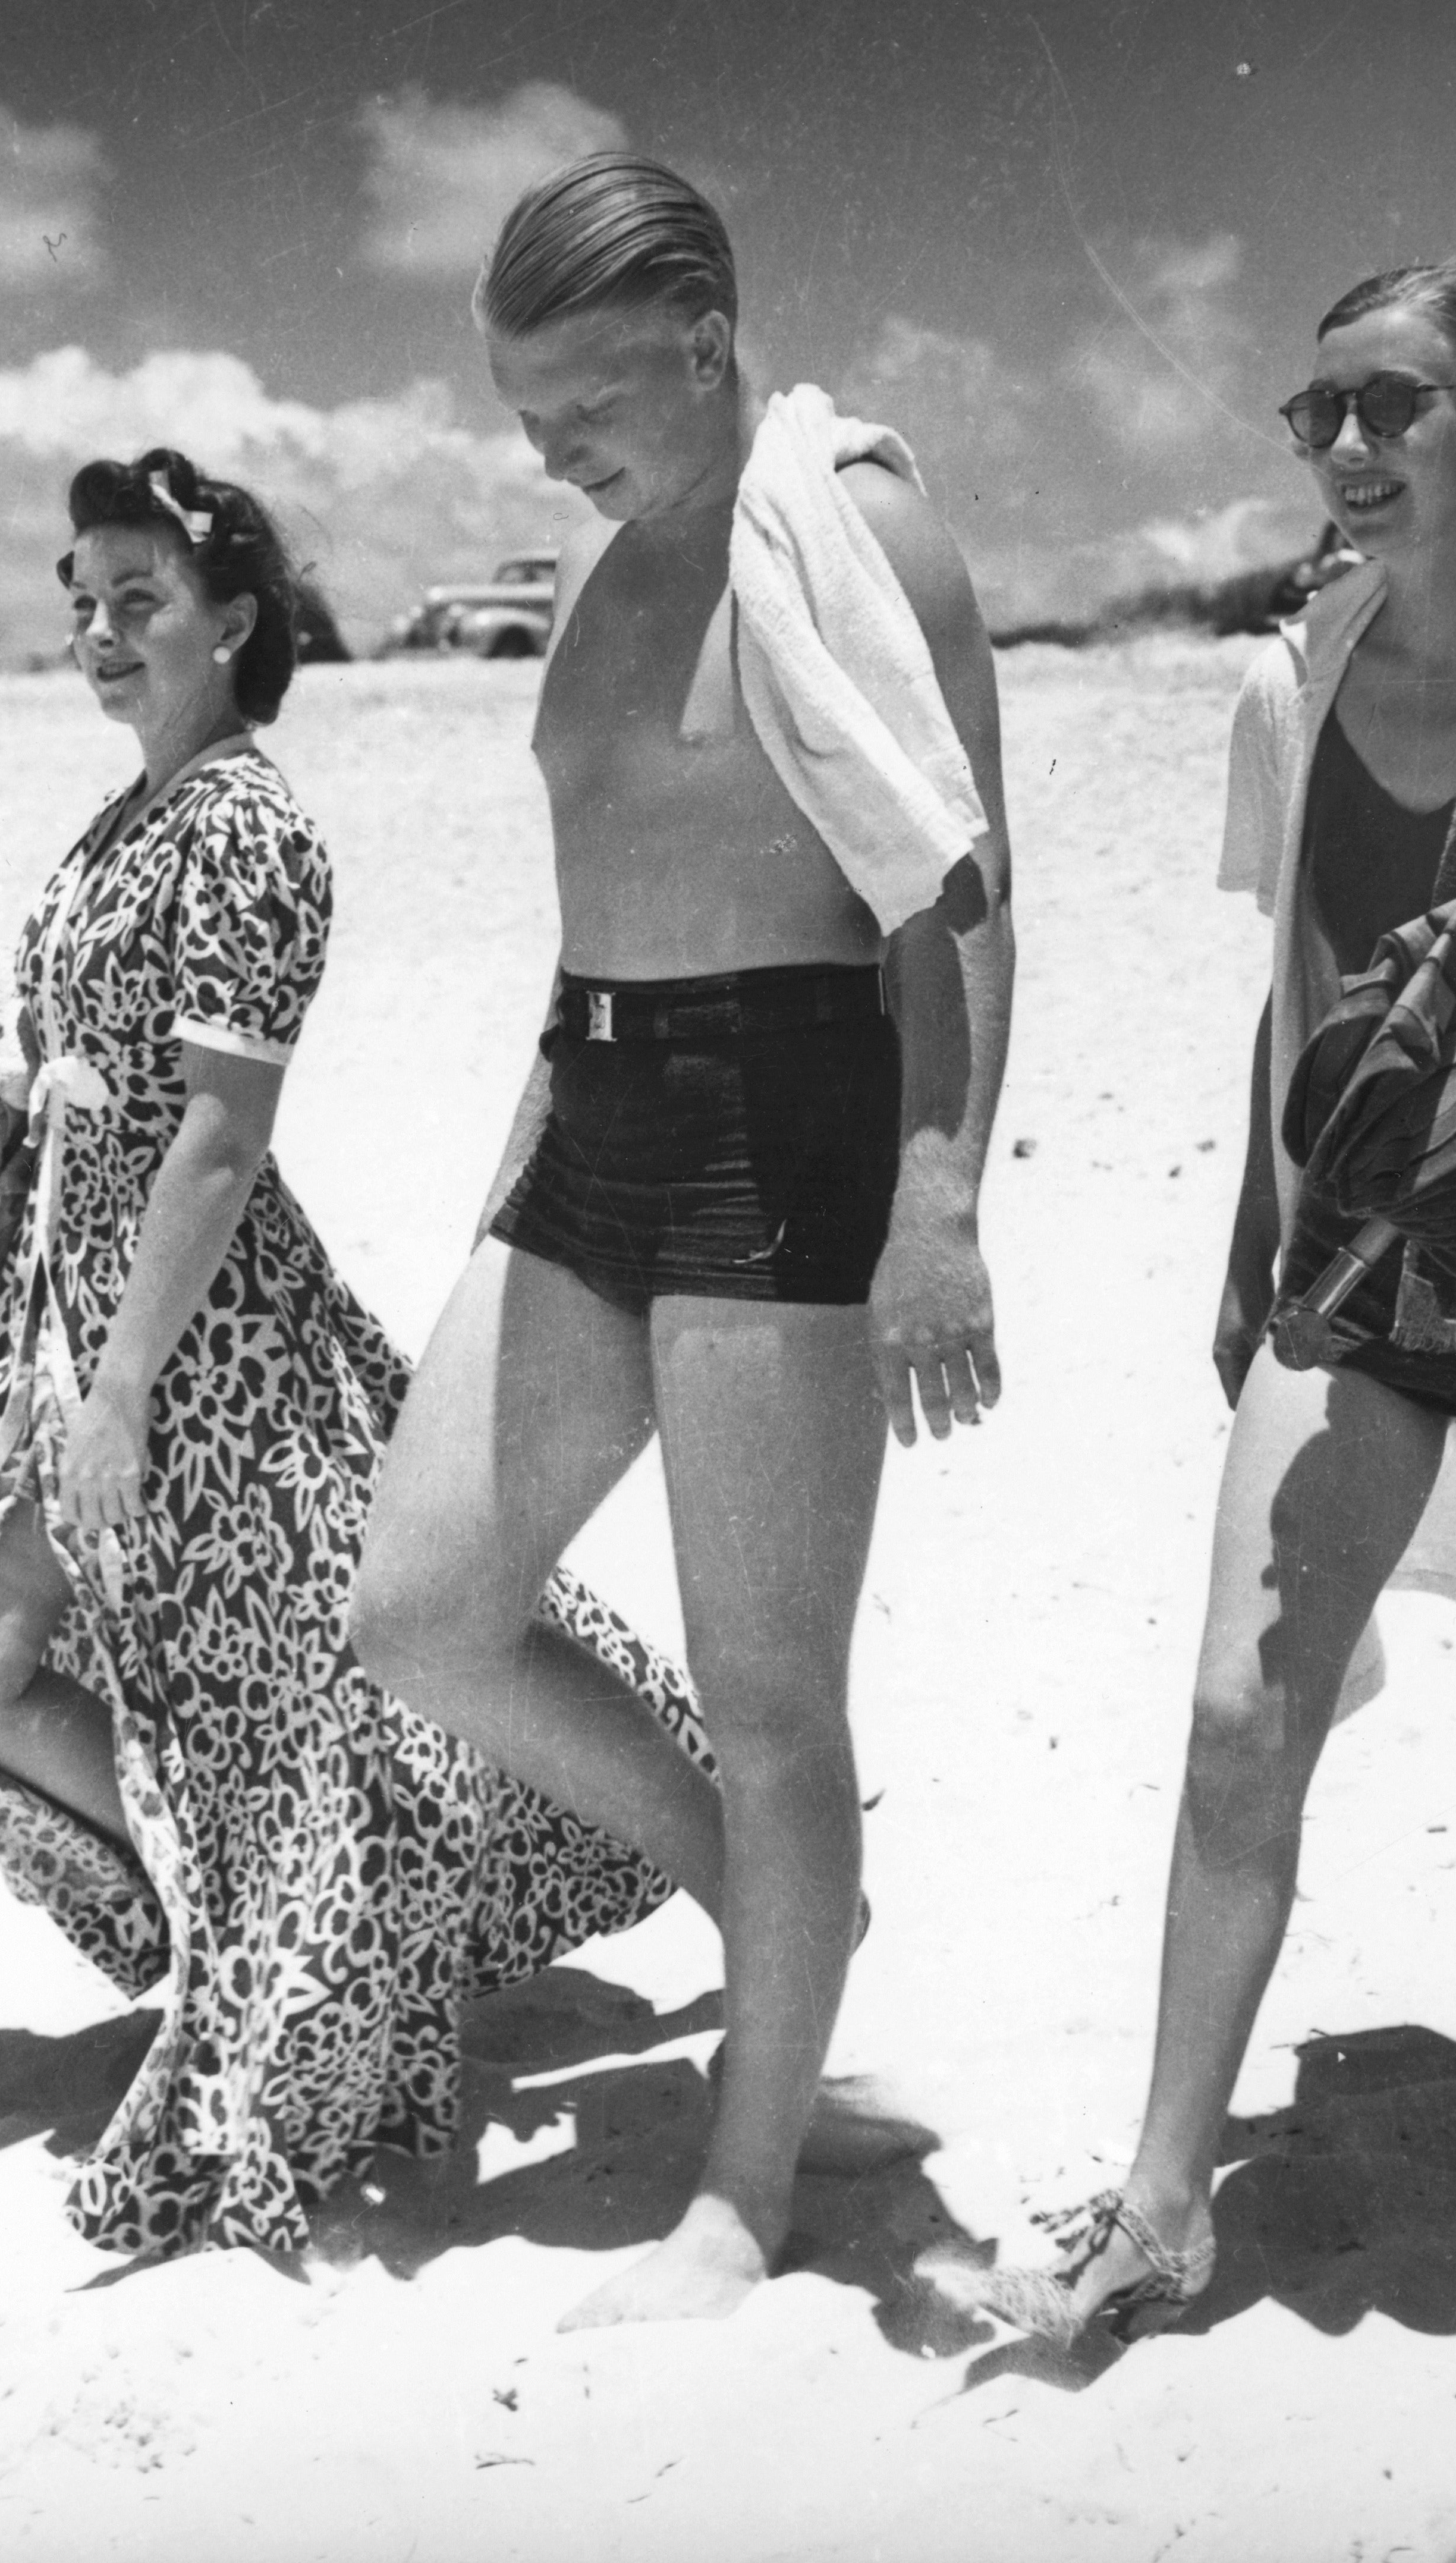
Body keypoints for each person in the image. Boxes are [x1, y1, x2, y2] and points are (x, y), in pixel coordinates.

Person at [955, 264, 1456, 2343]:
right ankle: (1159, 2200)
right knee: (1239, 1717)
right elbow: (1295, 981)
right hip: (1358, 1256)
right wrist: (1253, 1245)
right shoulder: (1292, 671)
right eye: (1319, 417)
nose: (1349, 451)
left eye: (1392, 406)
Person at [0, 447, 711, 2264]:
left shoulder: (247, 825)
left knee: (229, 1698)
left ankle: (299, 1946)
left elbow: (221, 1133)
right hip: (68, 1316)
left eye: (138, 599)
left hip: (203, 1350)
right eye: (81, 602)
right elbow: (118, 1077)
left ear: (233, 617)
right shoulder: (133, 812)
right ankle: (254, 1937)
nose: (99, 632)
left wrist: (119, 1389)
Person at [347, 152, 1014, 2329]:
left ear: (708, 341)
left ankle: (743, 2184)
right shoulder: (595, 562)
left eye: (583, 403)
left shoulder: (858, 528)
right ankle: (776, 1928)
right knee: (421, 1602)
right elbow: (587, 909)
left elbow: (958, 895)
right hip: (592, 1108)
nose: (549, 451)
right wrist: (507, 1183)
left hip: (786, 1114)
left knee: (768, 1693)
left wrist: (937, 1199)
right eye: (522, 413)